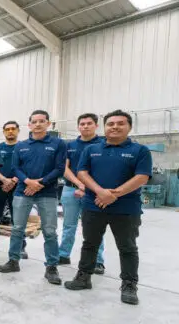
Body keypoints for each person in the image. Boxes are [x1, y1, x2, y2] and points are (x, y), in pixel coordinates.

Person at [64, 110, 152, 305]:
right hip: (93, 205)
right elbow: (82, 173)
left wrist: (114, 194)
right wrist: (100, 192)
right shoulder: (91, 149)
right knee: (90, 243)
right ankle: (84, 277)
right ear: (104, 127)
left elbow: (142, 177)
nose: (115, 127)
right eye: (111, 124)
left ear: (129, 127)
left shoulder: (140, 150)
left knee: (127, 247)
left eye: (120, 123)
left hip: (126, 208)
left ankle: (129, 285)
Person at [0, 110, 66, 284]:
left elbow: (59, 168)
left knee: (49, 231)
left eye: (41, 121)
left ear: (48, 123)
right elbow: (16, 168)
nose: (38, 124)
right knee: (17, 228)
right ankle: (13, 260)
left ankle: (51, 267)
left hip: (47, 193)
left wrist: (40, 183)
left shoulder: (58, 144)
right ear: (29, 125)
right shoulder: (21, 145)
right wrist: (28, 182)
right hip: (23, 191)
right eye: (34, 122)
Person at [59, 113, 106, 273]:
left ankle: (97, 261)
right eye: (82, 124)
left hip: (94, 191)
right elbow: (64, 168)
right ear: (78, 126)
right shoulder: (70, 145)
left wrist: (87, 187)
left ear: (96, 126)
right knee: (68, 225)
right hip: (70, 189)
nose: (85, 126)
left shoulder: (103, 144)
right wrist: (79, 184)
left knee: (95, 227)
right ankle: (63, 255)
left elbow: (104, 169)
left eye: (89, 123)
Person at [0, 121, 27, 259]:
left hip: (18, 187)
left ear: (18, 130)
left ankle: (20, 246)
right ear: (3, 131)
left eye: (13, 129)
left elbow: (26, 166)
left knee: (18, 218)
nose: (10, 131)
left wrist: (14, 180)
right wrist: (5, 180)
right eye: (7, 129)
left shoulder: (24, 147)